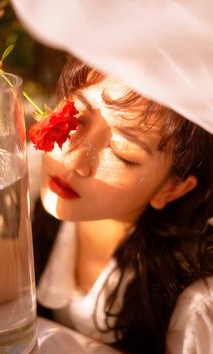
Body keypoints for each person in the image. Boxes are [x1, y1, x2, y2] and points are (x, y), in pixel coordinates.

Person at [30, 57, 213, 354]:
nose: (72, 160)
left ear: (172, 188)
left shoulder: (196, 307)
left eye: (121, 153)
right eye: (75, 119)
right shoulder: (26, 177)